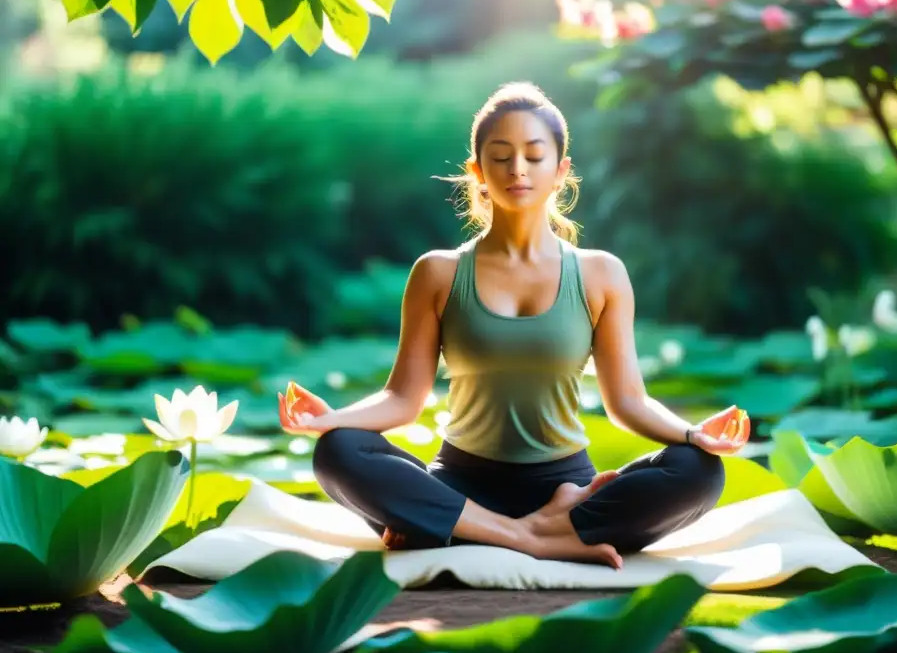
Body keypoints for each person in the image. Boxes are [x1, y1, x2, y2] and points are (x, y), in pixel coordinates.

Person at [278, 82, 750, 570]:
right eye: (500, 156)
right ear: (477, 171)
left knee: (699, 472)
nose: (517, 169)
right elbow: (403, 399)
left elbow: (628, 402)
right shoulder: (437, 273)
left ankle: (464, 532)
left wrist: (694, 435)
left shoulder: (600, 274)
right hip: (457, 485)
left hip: (568, 491)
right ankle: (528, 537)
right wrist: (330, 420)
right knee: (338, 452)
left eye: (534, 155)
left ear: (561, 170)